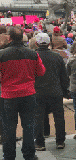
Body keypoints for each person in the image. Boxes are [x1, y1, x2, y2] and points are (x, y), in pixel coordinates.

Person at [0, 26, 46, 160]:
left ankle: (9, 156)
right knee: (28, 126)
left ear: (9, 38)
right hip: (28, 94)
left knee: (8, 127)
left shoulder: (2, 54)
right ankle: (29, 155)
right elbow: (41, 72)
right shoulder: (32, 53)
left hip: (8, 95)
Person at [33, 33, 69, 151]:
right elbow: (64, 76)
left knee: (38, 117)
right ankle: (60, 141)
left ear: (36, 43)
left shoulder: (33, 56)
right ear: (49, 43)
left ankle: (39, 142)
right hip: (55, 91)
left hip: (37, 91)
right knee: (59, 117)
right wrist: (65, 90)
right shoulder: (57, 56)